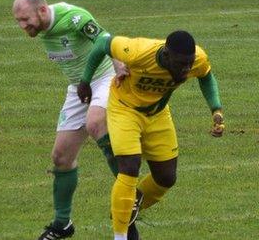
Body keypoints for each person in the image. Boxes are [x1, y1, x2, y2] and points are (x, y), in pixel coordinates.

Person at [77, 30, 225, 240]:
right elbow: (103, 43)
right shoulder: (137, 51)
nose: (186, 70)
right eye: (181, 64)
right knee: (129, 167)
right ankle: (121, 236)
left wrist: (216, 109)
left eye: (189, 64)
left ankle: (131, 200)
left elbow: (206, 76)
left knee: (166, 177)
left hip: (157, 114)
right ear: (166, 55)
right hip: (125, 109)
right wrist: (85, 81)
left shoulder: (196, 59)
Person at [12, 0, 128, 239]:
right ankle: (62, 224)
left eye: (25, 19)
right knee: (61, 157)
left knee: (96, 123)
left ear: (42, 11)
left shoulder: (74, 17)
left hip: (104, 78)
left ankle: (130, 189)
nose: (23, 27)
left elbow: (106, 39)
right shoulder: (42, 27)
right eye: (18, 21)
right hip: (78, 87)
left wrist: (119, 67)